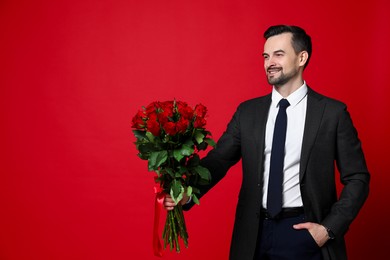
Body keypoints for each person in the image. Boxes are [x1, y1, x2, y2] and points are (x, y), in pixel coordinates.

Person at [164, 25, 370, 260]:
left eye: (279, 54)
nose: (269, 62)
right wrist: (187, 193)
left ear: (302, 57)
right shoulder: (248, 112)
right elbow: (218, 160)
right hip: (253, 234)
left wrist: (328, 229)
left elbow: (358, 178)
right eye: (266, 55)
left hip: (305, 233)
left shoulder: (332, 113)